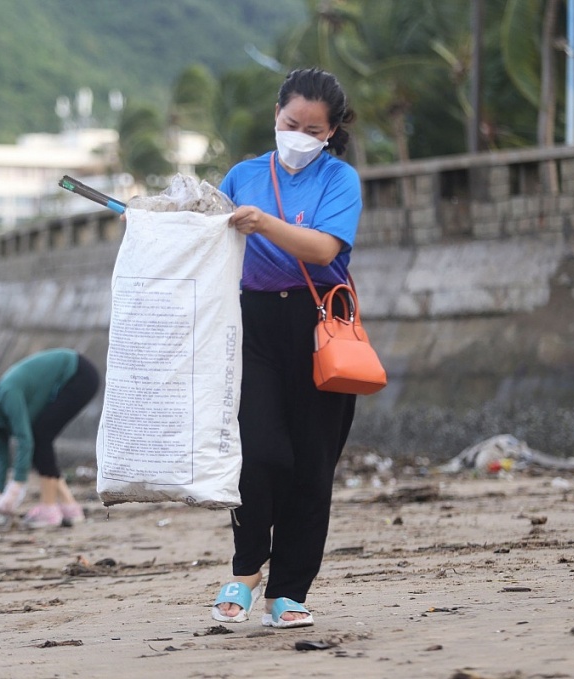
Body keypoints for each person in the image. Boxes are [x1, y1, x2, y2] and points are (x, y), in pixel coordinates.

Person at [212, 67, 363, 628]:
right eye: (289, 122)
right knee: (260, 451)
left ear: (330, 133)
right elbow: (208, 238)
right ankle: (246, 569)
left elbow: (324, 248)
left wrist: (268, 225)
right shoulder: (243, 175)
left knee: (311, 464)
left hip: (319, 323)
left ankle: (289, 592)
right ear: (276, 114)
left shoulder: (340, 180)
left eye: (312, 129)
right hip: (252, 323)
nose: (298, 134)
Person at [0, 348, 100, 529]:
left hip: (78, 373)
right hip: (73, 377)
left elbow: (24, 440)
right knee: (40, 439)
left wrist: (16, 487)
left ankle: (49, 508)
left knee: (40, 436)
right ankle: (70, 507)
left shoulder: (7, 395)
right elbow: (1, 457)